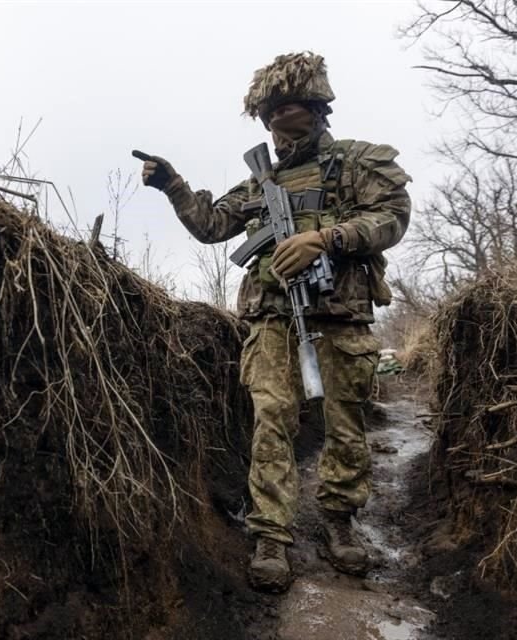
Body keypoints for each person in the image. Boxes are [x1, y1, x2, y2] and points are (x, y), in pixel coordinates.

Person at [135, 52, 411, 593]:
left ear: (317, 108)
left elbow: (391, 218)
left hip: (338, 316)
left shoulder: (359, 162)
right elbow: (213, 226)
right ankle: (271, 535)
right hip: (272, 320)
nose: (278, 126)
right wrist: (173, 185)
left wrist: (324, 239)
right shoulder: (259, 182)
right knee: (272, 423)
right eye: (268, 115)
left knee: (344, 423)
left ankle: (339, 522)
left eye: (288, 112)